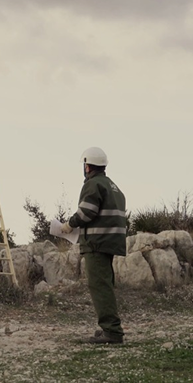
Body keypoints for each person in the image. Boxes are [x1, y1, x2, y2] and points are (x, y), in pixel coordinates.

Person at [61, 146, 127, 344]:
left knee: (99, 285)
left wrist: (68, 225)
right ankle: (110, 328)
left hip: (97, 244)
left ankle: (112, 331)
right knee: (105, 284)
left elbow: (86, 212)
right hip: (111, 242)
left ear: (88, 167)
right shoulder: (114, 187)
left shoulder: (92, 185)